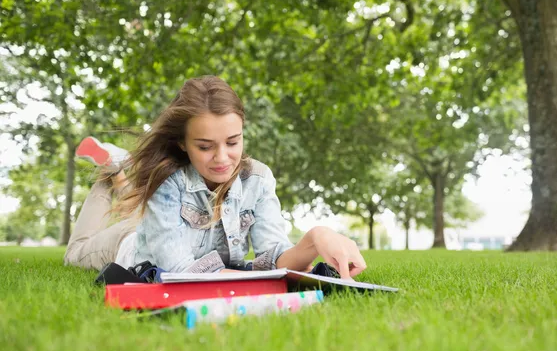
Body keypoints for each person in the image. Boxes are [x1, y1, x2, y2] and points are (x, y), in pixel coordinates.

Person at [64, 76, 367, 279]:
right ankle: (112, 171)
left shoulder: (258, 180)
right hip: (129, 245)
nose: (222, 159)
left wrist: (315, 239)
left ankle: (118, 174)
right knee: (75, 253)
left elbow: (272, 256)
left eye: (233, 142)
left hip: (153, 222)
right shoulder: (166, 181)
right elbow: (179, 269)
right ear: (182, 143)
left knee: (133, 202)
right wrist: (260, 281)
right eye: (205, 146)